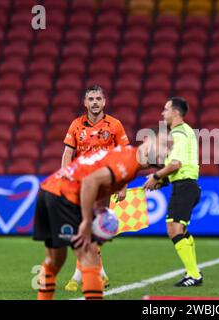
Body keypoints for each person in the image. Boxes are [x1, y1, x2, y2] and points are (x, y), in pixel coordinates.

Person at [33, 129, 170, 300]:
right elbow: (90, 182)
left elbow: (100, 186)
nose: (164, 151)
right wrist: (87, 221)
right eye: (163, 143)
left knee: (54, 260)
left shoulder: (126, 154)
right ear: (149, 139)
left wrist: (99, 212)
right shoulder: (128, 163)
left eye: (168, 150)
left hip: (48, 189)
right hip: (64, 195)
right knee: (89, 256)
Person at [61, 85, 130, 291]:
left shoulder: (115, 125)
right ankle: (101, 274)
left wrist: (123, 184)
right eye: (91, 99)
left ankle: (77, 276)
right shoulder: (76, 125)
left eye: (98, 98)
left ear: (104, 101)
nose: (95, 102)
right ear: (85, 103)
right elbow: (67, 154)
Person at [143, 97, 203, 287]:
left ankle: (194, 275)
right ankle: (193, 272)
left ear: (176, 112)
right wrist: (163, 180)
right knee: (180, 229)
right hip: (186, 184)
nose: (163, 113)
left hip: (185, 186)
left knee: (174, 228)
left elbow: (176, 164)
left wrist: (155, 176)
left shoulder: (179, 133)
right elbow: (182, 165)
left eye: (166, 109)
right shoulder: (185, 132)